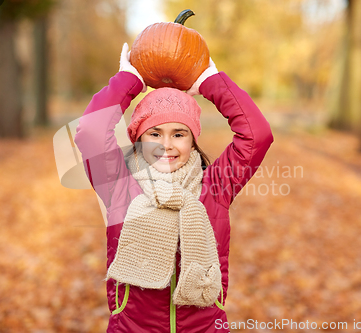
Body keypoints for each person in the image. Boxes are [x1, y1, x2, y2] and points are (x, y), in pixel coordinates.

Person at [74, 42, 274, 333]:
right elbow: (91, 131)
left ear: (193, 140)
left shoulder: (214, 186)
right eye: (154, 133)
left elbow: (257, 136)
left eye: (179, 134)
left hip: (204, 327)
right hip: (132, 327)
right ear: (139, 138)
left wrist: (210, 82)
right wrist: (130, 80)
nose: (166, 145)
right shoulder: (118, 184)